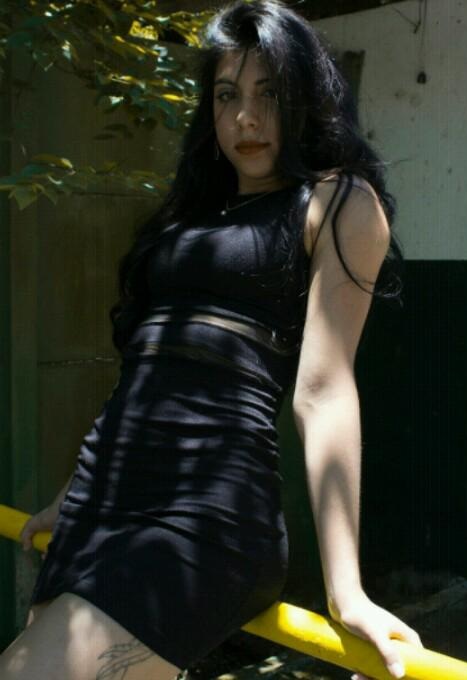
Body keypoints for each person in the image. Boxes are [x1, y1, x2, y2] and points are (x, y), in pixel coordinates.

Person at [1, 1, 423, 679]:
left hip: (204, 515)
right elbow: (148, 367)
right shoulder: (193, 213)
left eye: (268, 94)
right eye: (227, 96)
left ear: (306, 98)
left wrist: (346, 589)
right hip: (101, 502)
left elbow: (323, 390)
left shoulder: (336, 200)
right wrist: (72, 490)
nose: (245, 118)